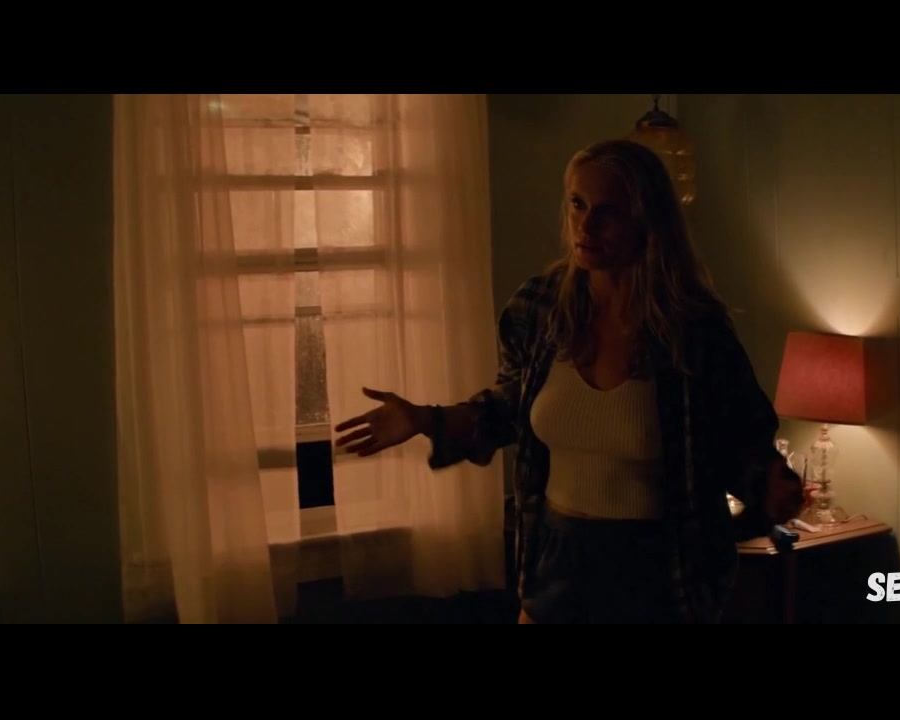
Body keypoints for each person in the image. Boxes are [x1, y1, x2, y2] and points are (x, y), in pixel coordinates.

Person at [334, 139, 804, 624]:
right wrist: (425, 419)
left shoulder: (692, 327)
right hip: (557, 559)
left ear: (646, 220)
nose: (586, 225)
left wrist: (769, 482)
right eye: (578, 204)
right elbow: (506, 408)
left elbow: (740, 437)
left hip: (658, 572)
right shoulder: (539, 308)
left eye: (608, 212)